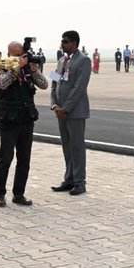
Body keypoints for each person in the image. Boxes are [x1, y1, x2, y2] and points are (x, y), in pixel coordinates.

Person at [0, 41, 48, 206]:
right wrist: (16, 68)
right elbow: (0, 83)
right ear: (9, 54)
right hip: (8, 121)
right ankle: (0, 193)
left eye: (21, 55)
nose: (19, 57)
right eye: (16, 55)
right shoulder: (3, 67)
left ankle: (19, 193)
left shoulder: (28, 69)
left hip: (26, 119)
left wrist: (34, 71)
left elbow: (44, 84)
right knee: (6, 158)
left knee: (24, 159)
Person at [51, 30, 91, 196]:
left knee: (77, 147)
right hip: (61, 112)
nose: (62, 44)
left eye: (65, 41)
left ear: (74, 43)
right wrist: (55, 105)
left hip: (74, 112)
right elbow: (53, 82)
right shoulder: (61, 61)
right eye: (62, 41)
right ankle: (69, 179)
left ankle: (80, 182)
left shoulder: (84, 61)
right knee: (67, 146)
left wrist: (65, 108)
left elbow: (79, 87)